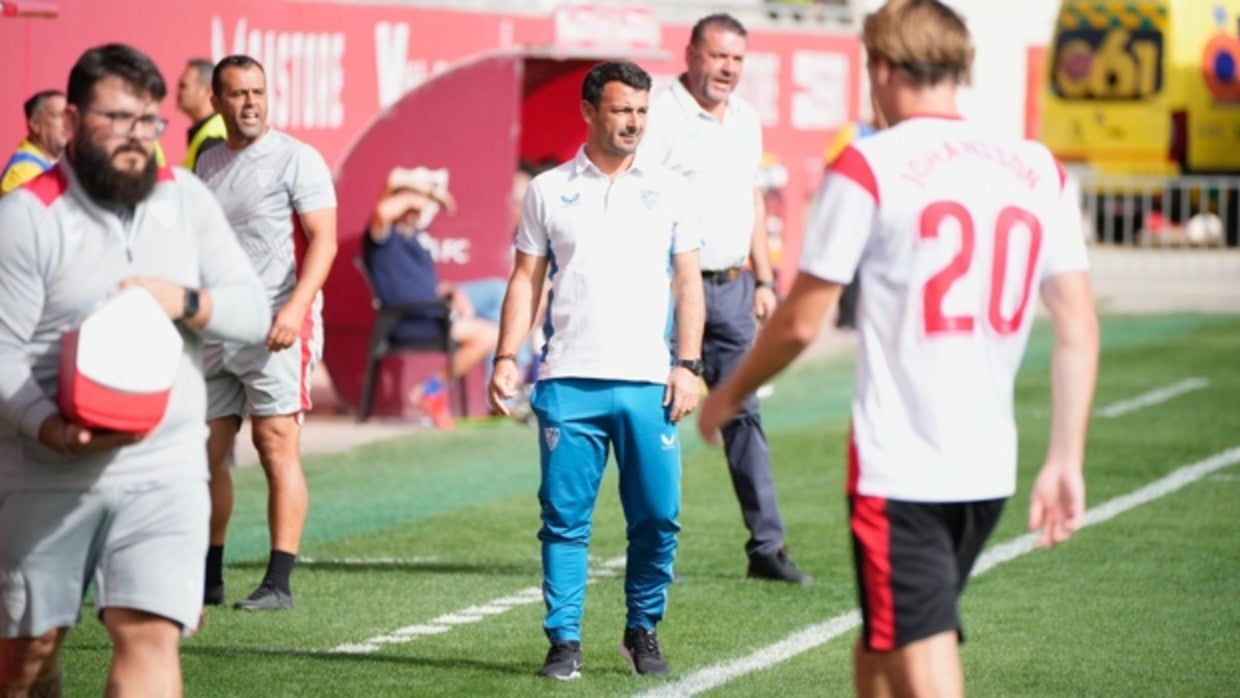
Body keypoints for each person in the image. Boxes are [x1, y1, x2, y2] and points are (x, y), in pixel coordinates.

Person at [697, 1, 1100, 695]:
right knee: (880, 647)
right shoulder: (1038, 167)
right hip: (988, 466)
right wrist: (1065, 457)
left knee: (921, 653)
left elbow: (799, 322)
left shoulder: (870, 164)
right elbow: (1077, 325)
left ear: (880, 68)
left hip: (904, 467)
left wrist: (727, 396)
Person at [0, 43, 270, 696]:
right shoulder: (25, 216)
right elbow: (3, 356)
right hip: (47, 467)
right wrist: (54, 430)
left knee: (149, 635)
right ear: (70, 118)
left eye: (149, 122)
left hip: (164, 465)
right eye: (118, 119)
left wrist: (183, 301)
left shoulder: (186, 201)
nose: (136, 137)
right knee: (27, 657)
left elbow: (254, 311)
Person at [488, 60, 704, 680]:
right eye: (621, 110)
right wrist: (507, 357)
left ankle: (642, 629)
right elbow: (526, 279)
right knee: (563, 519)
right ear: (589, 111)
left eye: (641, 111)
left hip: (648, 382)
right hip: (567, 382)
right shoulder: (548, 189)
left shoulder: (670, 189)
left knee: (659, 516)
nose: (634, 122)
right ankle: (564, 642)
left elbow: (688, 281)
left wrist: (687, 364)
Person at [641, 12, 810, 584]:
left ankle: (767, 549)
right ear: (690, 53)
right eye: (718, 56)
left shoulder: (745, 119)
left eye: (737, 59)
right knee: (651, 411)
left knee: (745, 413)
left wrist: (764, 279)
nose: (728, 69)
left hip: (734, 289)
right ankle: (649, 542)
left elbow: (753, 203)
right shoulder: (661, 114)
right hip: (671, 288)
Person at [195, 54, 339, 612]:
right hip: (215, 328)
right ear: (217, 101)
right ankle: (208, 577)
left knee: (274, 443)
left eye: (258, 91)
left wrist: (295, 311)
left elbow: (323, 241)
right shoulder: (207, 162)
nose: (251, 102)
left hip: (278, 324)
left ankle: (278, 582)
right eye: (238, 93)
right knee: (202, 454)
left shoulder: (297, 159)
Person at [363, 166, 499, 430]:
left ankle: (495, 391)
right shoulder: (382, 235)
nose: (416, 212)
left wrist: (452, 291)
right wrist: (426, 194)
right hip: (406, 321)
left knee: (496, 300)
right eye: (410, 205)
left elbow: (430, 286)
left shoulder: (414, 241)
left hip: (432, 312)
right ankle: (431, 390)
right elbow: (384, 207)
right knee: (487, 334)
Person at [822, 94, 887, 330]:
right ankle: (847, 317)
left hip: (880, 215)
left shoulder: (890, 137)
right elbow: (831, 159)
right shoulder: (854, 131)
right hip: (854, 212)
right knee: (850, 264)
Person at [0, 89, 68, 196]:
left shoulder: (48, 163)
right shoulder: (25, 173)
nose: (67, 122)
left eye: (69, 116)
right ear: (35, 124)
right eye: (59, 115)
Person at [175, 57, 227, 171]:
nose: (177, 92)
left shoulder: (213, 138)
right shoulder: (208, 130)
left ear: (208, 91)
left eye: (183, 86)